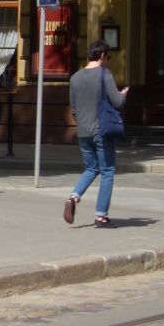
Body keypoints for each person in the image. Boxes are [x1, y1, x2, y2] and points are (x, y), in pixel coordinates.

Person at [65, 40, 128, 228]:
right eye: (107, 57)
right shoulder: (104, 74)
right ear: (101, 55)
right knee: (107, 171)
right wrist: (123, 94)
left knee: (91, 168)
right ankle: (101, 217)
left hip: (83, 131)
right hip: (101, 129)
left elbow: (74, 108)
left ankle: (74, 197)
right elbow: (117, 102)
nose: (107, 60)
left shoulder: (75, 77)